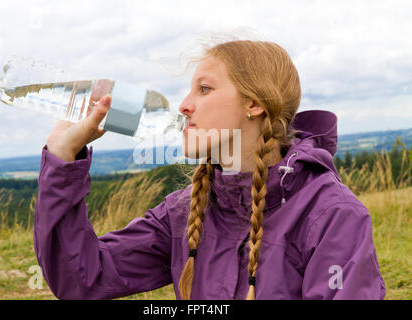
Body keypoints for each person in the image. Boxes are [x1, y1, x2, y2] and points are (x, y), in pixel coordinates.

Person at [34, 39, 386, 300]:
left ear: (254, 104)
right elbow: (82, 278)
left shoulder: (332, 217)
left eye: (204, 89)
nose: (185, 105)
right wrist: (64, 158)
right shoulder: (184, 213)